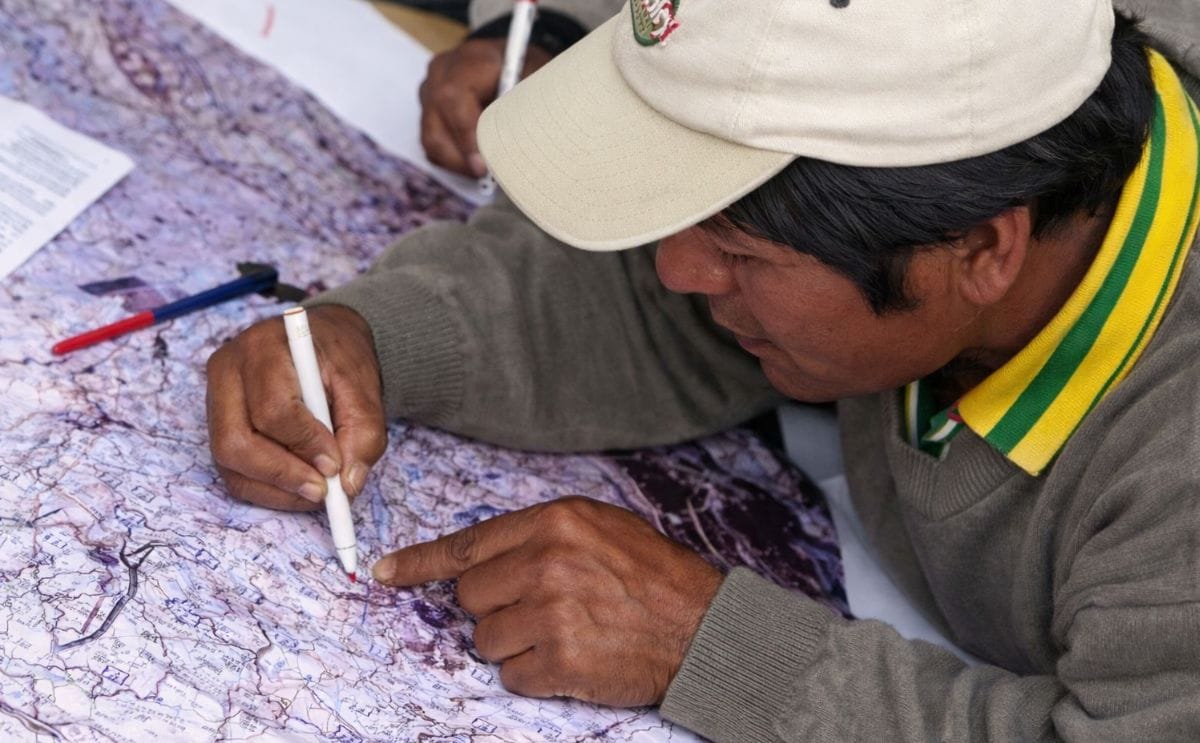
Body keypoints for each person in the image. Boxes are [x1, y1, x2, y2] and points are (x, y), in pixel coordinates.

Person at [205, 0, 1200, 739]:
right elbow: (657, 307)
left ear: (982, 250)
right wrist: (378, 338)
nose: (677, 270)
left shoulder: (1176, 456)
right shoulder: (951, 164)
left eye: (743, 254)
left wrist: (706, 646)